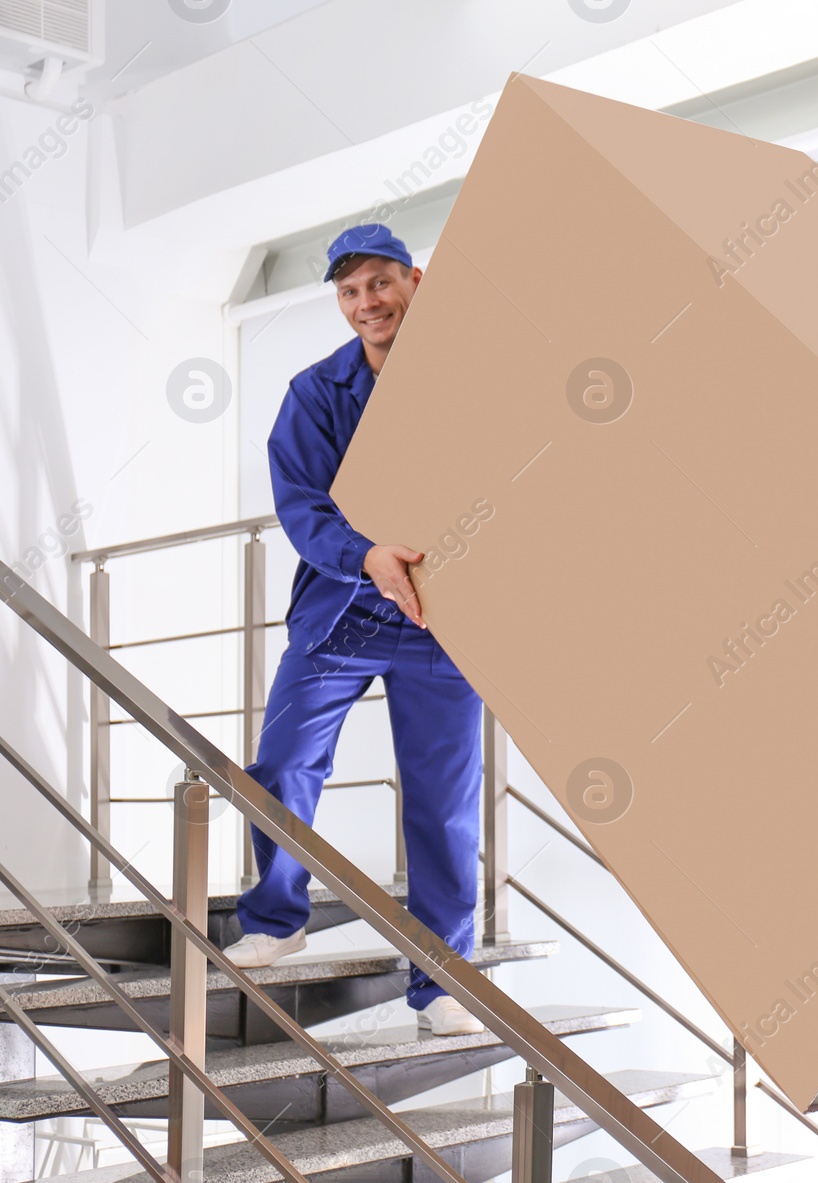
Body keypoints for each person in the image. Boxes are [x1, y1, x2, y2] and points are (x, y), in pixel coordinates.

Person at [222, 225, 487, 1037]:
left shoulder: (469, 377)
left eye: (378, 284)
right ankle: (274, 918)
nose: (366, 303)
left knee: (443, 805)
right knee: (282, 761)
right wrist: (365, 555)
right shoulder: (314, 392)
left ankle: (442, 981)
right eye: (348, 293)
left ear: (415, 279)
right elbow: (301, 505)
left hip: (443, 621)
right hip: (344, 606)